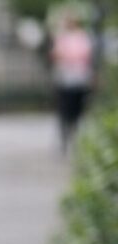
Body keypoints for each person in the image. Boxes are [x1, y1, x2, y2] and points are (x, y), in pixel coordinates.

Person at [51, 14, 96, 153]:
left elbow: (87, 56)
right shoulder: (62, 37)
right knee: (65, 109)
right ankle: (66, 138)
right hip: (65, 79)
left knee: (77, 109)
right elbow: (56, 55)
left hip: (79, 78)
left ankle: (75, 136)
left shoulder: (82, 37)